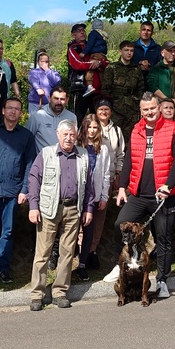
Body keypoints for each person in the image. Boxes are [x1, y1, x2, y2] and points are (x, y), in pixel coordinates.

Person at [115, 93, 175, 299]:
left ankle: (162, 280)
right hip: (138, 194)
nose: (149, 113)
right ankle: (125, 264)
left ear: (159, 108)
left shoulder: (174, 129)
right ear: (141, 111)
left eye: (153, 109)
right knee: (119, 224)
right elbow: (129, 158)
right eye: (145, 110)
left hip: (163, 195)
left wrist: (168, 185)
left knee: (162, 238)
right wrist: (122, 187)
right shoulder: (136, 130)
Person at [27, 120, 96, 310]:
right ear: (58, 134)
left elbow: (89, 185)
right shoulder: (46, 154)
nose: (69, 138)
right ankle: (37, 295)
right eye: (65, 134)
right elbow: (33, 180)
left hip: (73, 209)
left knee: (67, 253)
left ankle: (59, 292)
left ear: (76, 135)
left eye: (72, 134)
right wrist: (33, 206)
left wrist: (89, 209)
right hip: (49, 209)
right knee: (43, 253)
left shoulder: (83, 155)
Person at [0, 97, 36, 283]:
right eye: (9, 108)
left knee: (8, 232)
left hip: (14, 191)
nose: (13, 111)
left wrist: (24, 189)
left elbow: (29, 164)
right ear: (3, 111)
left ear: (21, 113)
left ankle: (3, 269)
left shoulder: (26, 136)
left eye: (17, 109)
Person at [75, 114, 113, 281]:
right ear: (84, 128)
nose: (91, 131)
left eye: (95, 128)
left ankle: (83, 264)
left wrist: (104, 196)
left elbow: (106, 174)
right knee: (72, 230)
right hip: (76, 195)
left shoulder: (103, 149)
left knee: (89, 230)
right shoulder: (76, 146)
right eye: (88, 127)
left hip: (94, 195)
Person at [90, 98, 125, 270]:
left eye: (107, 109)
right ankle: (83, 249)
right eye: (100, 109)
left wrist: (118, 173)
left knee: (100, 216)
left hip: (109, 178)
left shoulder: (117, 130)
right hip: (89, 178)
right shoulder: (90, 127)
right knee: (85, 214)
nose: (104, 112)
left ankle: (93, 250)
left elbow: (121, 154)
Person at [100, 39, 145, 132]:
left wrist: (137, 102)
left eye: (131, 51)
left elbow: (141, 88)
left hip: (132, 108)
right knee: (114, 135)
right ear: (120, 51)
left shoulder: (136, 69)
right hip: (116, 108)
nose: (129, 53)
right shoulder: (112, 67)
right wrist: (112, 103)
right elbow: (105, 89)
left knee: (132, 135)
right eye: (126, 50)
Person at [66, 23, 104, 120]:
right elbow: (77, 64)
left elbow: (105, 62)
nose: (82, 32)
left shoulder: (93, 46)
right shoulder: (72, 48)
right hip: (80, 88)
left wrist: (99, 63)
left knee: (97, 119)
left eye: (83, 30)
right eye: (79, 31)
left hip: (96, 90)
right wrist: (93, 64)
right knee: (78, 118)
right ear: (73, 35)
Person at [146, 40, 175, 121]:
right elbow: (152, 86)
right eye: (170, 51)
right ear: (162, 53)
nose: (173, 53)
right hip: (161, 109)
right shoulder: (156, 69)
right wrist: (167, 101)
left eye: (174, 51)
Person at [27, 50, 62, 115]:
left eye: (47, 61)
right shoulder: (33, 72)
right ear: (38, 62)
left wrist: (47, 70)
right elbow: (33, 81)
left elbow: (56, 82)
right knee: (34, 123)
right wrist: (38, 89)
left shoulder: (54, 73)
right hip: (35, 103)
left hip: (49, 104)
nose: (45, 64)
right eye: (42, 61)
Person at [81, 19, 109, 96]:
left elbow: (90, 44)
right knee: (101, 72)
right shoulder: (103, 34)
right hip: (103, 55)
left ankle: (89, 86)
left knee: (90, 69)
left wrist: (84, 52)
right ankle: (104, 89)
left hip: (95, 54)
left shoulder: (93, 34)